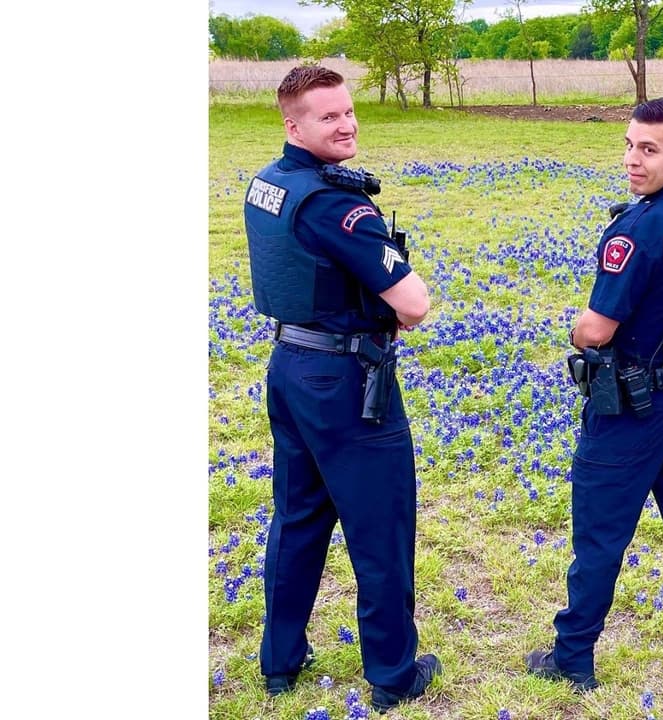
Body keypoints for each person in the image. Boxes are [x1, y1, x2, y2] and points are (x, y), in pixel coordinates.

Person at [523, 97, 663, 691]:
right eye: (628, 145)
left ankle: (572, 654)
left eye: (648, 149)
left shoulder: (638, 228)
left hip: (629, 403)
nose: (632, 159)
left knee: (600, 532)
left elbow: (597, 329)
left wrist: (575, 328)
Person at [242, 65, 441, 714]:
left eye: (349, 111)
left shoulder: (269, 185)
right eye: (328, 116)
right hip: (346, 383)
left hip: (290, 365)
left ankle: (281, 660)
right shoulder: (335, 205)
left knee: (297, 519)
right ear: (292, 124)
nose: (347, 123)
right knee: (379, 528)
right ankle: (392, 673)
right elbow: (413, 303)